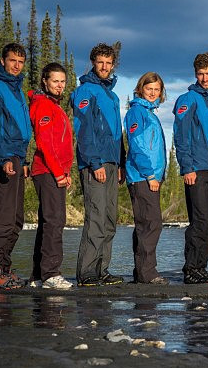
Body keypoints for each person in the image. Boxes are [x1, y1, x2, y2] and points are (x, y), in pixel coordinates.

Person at [71, 43, 125, 287]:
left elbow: (117, 134)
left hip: (112, 163)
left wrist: (121, 163)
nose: (104, 66)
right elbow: (83, 130)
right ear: (93, 62)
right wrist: (94, 163)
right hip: (96, 164)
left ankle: (102, 269)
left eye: (108, 63)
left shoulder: (112, 96)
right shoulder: (86, 91)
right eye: (100, 62)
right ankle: (87, 272)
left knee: (109, 218)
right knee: (96, 217)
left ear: (113, 65)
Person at [0, 42, 32, 290]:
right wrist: (3, 159)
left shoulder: (18, 91)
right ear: (3, 61)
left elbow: (19, 130)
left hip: (16, 159)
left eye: (20, 62)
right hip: (1, 160)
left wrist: (24, 160)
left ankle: (4, 268)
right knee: (1, 218)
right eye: (12, 61)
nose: (17, 66)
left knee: (15, 219)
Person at [173, 52, 208, 284]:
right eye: (201, 74)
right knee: (200, 221)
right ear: (195, 74)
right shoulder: (187, 100)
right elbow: (181, 136)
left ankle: (202, 267)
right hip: (196, 169)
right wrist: (187, 167)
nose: (205, 78)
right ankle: (191, 269)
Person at [27, 62, 74, 290]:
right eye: (55, 81)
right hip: (47, 171)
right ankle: (51, 274)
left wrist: (66, 172)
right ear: (45, 81)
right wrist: (58, 173)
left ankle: (38, 275)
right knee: (55, 220)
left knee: (48, 221)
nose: (59, 85)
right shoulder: (44, 105)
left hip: (53, 171)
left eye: (62, 81)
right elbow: (45, 143)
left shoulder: (53, 106)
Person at [125, 72, 169, 285]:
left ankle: (142, 271)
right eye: (149, 88)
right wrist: (150, 174)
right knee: (151, 224)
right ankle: (147, 273)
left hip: (150, 176)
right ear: (141, 89)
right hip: (142, 176)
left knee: (146, 224)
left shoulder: (149, 113)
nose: (152, 93)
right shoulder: (137, 112)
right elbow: (137, 146)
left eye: (156, 89)